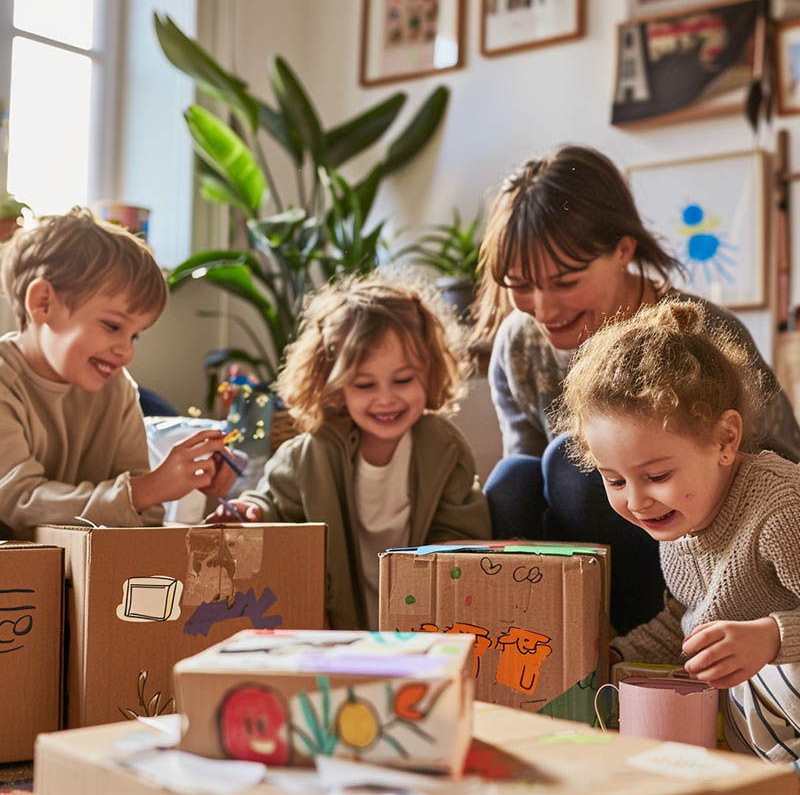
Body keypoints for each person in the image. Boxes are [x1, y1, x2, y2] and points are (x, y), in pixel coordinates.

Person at [471, 144, 800, 634]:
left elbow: (781, 471)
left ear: (623, 250)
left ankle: (646, 635)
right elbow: (526, 488)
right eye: (520, 284)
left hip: (704, 557)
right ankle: (539, 638)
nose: (542, 307)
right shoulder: (519, 344)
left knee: (572, 465)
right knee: (513, 478)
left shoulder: (699, 334)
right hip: (581, 553)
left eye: (565, 281)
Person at [554, 298, 800, 764]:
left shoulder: (781, 508)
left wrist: (772, 636)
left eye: (658, 476)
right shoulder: (679, 529)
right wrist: (612, 658)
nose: (636, 500)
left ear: (726, 440)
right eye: (614, 480)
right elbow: (685, 622)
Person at [209, 273, 492, 630]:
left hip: (423, 625)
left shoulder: (445, 448)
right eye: (364, 384)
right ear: (334, 385)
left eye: (403, 380)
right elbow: (277, 508)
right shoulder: (308, 456)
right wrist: (253, 510)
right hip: (334, 626)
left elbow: (464, 532)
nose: (386, 398)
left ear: (430, 371)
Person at [0, 206, 238, 538]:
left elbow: (146, 512)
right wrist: (144, 490)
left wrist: (192, 481)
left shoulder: (119, 390)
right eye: (112, 326)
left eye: (134, 335)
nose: (126, 352)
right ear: (43, 303)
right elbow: (16, 501)